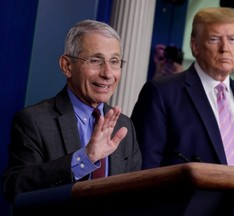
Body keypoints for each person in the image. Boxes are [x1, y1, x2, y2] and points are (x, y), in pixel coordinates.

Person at [131, 7, 234, 215]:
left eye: (232, 39)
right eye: (214, 39)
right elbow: (142, 173)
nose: (225, 48)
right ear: (195, 46)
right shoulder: (161, 93)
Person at [2, 20, 142, 204]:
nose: (108, 73)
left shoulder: (124, 126)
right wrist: (84, 159)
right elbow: (15, 188)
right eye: (95, 60)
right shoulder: (34, 121)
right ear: (67, 66)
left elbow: (135, 196)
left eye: (114, 61)